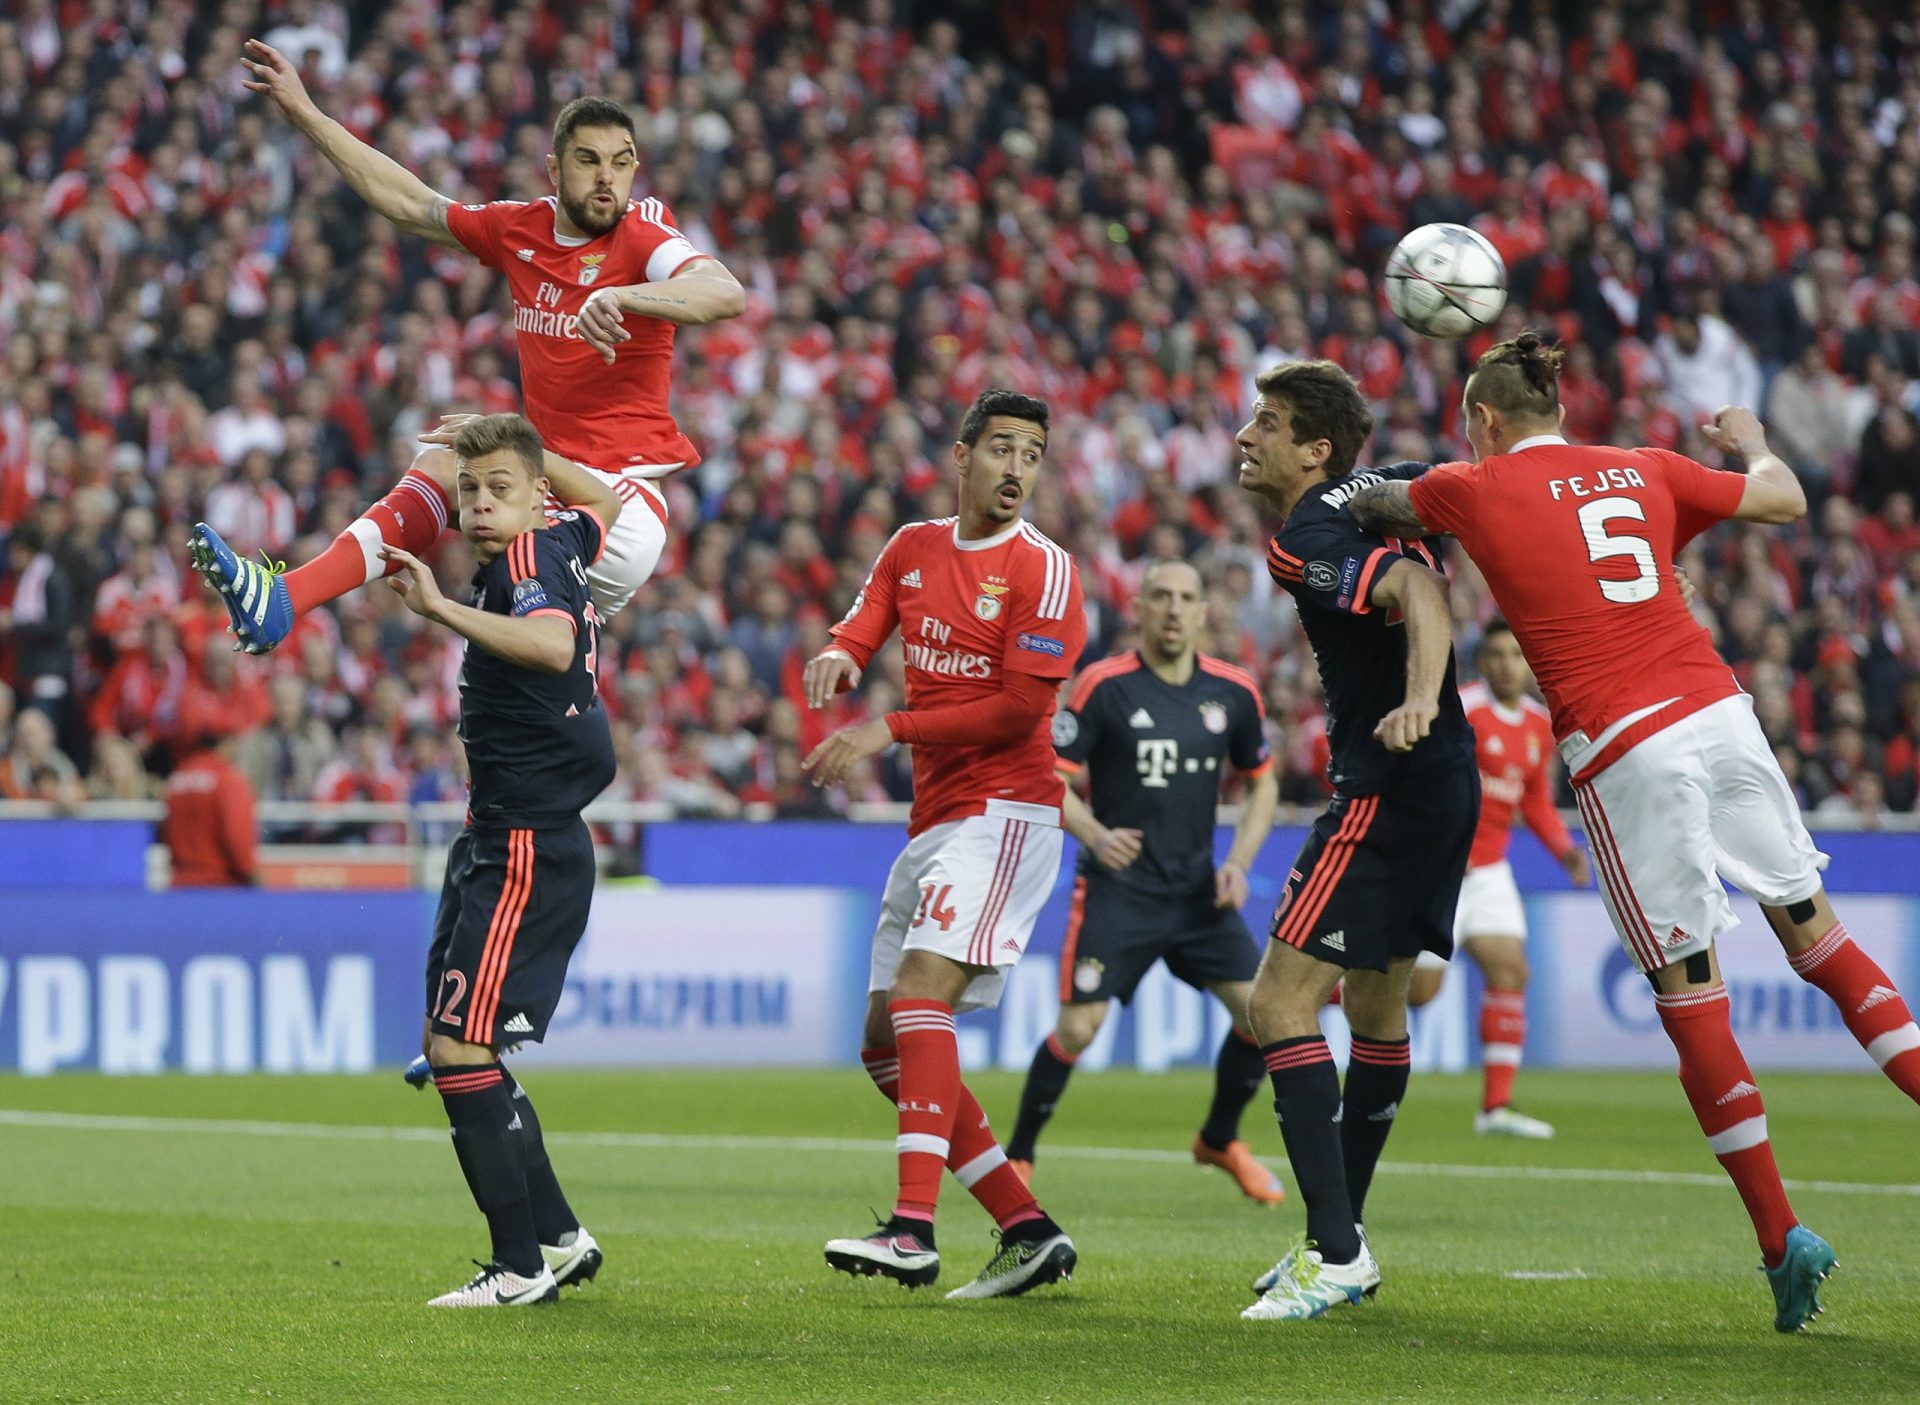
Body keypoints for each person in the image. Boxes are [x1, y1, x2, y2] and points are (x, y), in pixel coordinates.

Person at [1351, 330, 1920, 1332]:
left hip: (1627, 746)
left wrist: (1362, 487)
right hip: (1722, 711)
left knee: (1689, 987)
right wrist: (1747, 435)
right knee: (1817, 935)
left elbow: (1376, 505)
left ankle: (1783, 1239)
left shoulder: (1469, 487)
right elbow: (1782, 498)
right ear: (1562, 412)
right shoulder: (1645, 467)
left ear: (1485, 420)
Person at [189, 40, 744, 652]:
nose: (607, 177)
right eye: (589, 160)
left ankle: (289, 598)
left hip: (617, 504)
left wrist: (628, 299)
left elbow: (722, 291)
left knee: (471, 478)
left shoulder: (643, 238)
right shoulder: (519, 229)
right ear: (555, 169)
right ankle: (285, 601)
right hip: (546, 490)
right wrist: (308, 116)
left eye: (622, 161)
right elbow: (409, 205)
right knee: (506, 683)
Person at [801, 388, 1086, 1301]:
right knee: (885, 1046)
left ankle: (913, 1228)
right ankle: (1026, 1225)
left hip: (1008, 814)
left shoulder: (1045, 569)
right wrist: (844, 650)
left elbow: (1019, 709)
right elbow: (869, 611)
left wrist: (887, 726)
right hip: (939, 819)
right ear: (962, 455)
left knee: (925, 991)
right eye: (1002, 447)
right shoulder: (913, 546)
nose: (1017, 468)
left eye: (1032, 455)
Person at [1232, 361, 1478, 1322]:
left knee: (1278, 1005)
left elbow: (1415, 587)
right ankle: (1341, 1240)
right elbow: (1476, 502)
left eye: (1269, 422)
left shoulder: (1304, 538)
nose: (1248, 435)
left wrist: (1418, 695)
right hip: (1447, 784)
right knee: (1376, 1014)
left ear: (1315, 449)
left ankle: (1337, 1251)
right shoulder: (1395, 485)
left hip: (1385, 783)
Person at [379, 412, 621, 1308]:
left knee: (457, 1046)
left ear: (532, 498)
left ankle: (518, 1268)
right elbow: (610, 498)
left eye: (499, 489)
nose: (480, 505)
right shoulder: (558, 535)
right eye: (469, 490)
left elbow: (555, 644)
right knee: (455, 1043)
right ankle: (558, 1235)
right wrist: (530, 455)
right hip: (501, 836)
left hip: (523, 843)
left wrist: (440, 607)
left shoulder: (525, 563)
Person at [1005, 559, 1287, 1204]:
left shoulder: (1233, 692)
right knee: (1078, 1029)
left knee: (1262, 1015)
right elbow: (1051, 778)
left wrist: (1239, 862)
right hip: (1119, 888)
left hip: (1196, 893)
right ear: (1139, 607)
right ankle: (1018, 1157)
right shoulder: (1104, 687)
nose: (1172, 608)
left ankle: (1219, 1138)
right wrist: (1096, 836)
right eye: (1160, 596)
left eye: (1186, 597)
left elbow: (1262, 781)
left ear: (1201, 612)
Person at [1408, 619, 1592, 1140]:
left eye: (1517, 655)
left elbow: (1532, 798)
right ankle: (1304, 999)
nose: (1508, 665)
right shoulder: (1461, 711)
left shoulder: (1538, 725)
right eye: (1497, 655)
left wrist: (1563, 850)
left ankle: (1496, 1108)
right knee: (1420, 992)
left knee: (1510, 969)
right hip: (1440, 871)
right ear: (1482, 663)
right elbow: (1421, 779)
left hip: (1489, 871)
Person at [161, 730, 258, 887]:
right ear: (226, 743)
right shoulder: (228, 779)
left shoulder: (178, 777)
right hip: (221, 886)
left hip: (180, 885)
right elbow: (237, 835)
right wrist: (251, 874)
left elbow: (168, 830)